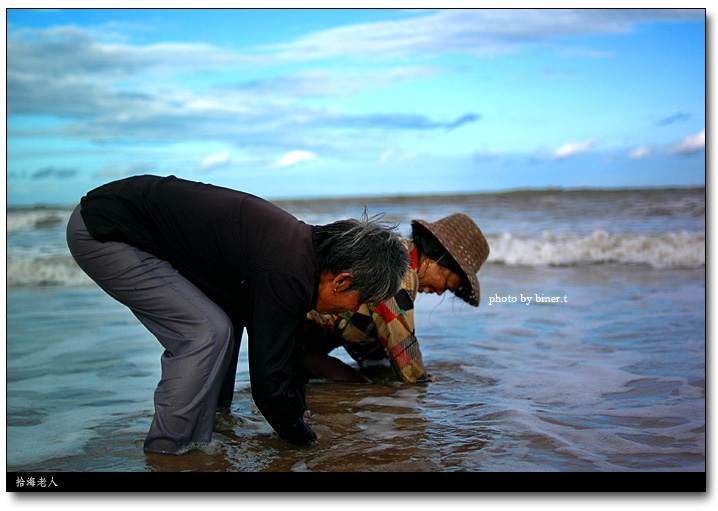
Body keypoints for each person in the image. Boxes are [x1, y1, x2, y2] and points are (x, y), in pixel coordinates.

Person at [66, 174, 409, 455]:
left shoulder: (301, 252)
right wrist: (304, 440)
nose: (354, 310)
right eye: (360, 301)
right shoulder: (286, 269)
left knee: (226, 323)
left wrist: (298, 404)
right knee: (206, 333)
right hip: (105, 230)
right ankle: (169, 454)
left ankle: (213, 424)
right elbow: (268, 384)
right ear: (342, 280)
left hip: (119, 220)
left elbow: (288, 348)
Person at [303, 213, 489, 384]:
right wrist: (424, 386)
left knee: (377, 372)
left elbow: (386, 343)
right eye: (448, 284)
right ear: (431, 262)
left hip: (319, 331)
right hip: (298, 332)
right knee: (362, 387)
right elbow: (405, 353)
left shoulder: (398, 251)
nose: (440, 292)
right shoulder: (400, 271)